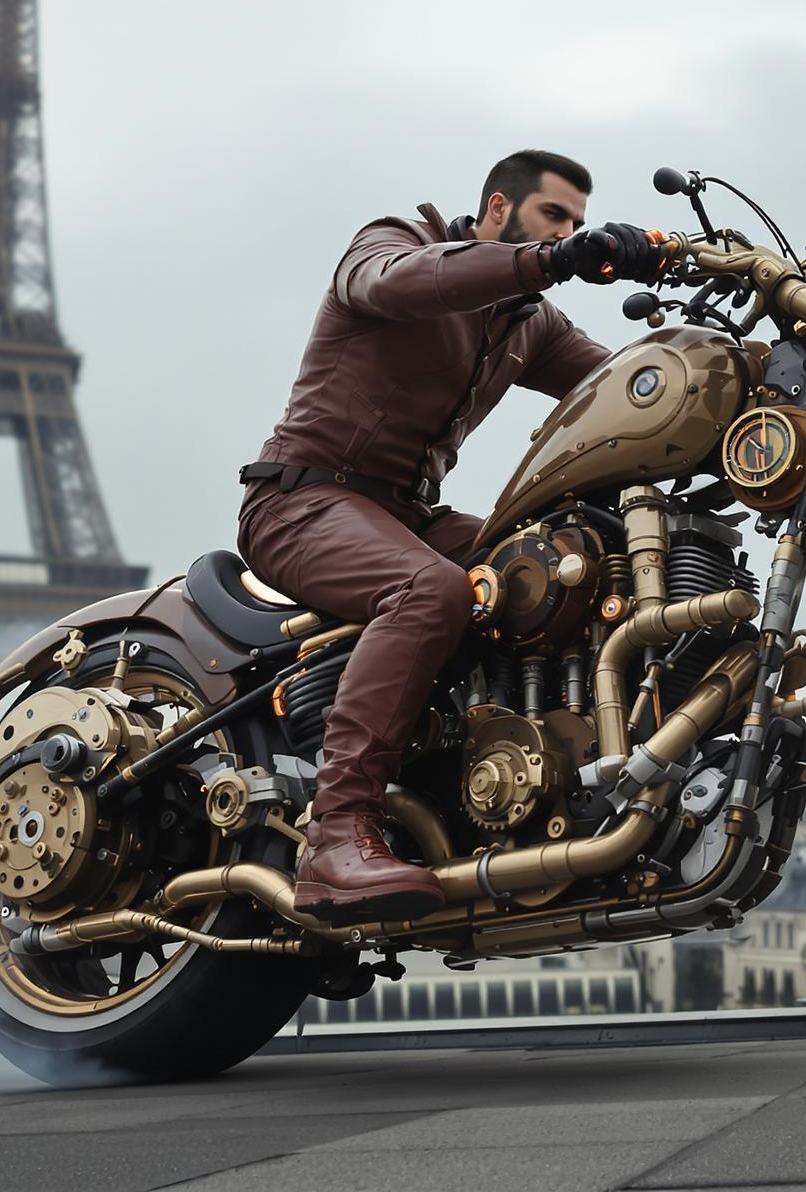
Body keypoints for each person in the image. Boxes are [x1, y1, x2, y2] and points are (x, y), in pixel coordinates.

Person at [237, 150, 670, 921]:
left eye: (577, 222)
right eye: (555, 217)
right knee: (429, 589)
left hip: (409, 514)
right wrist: (550, 261)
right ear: (499, 210)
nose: (570, 231)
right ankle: (335, 837)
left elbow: (630, 388)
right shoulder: (394, 241)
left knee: (564, 561)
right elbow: (404, 282)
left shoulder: (528, 321)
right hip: (302, 498)